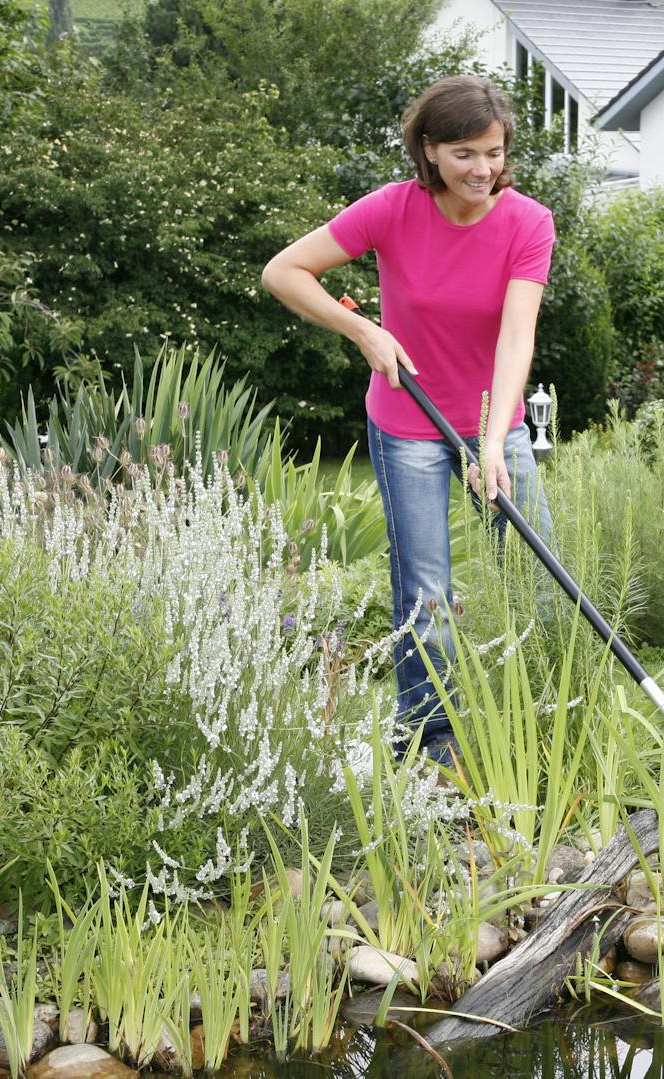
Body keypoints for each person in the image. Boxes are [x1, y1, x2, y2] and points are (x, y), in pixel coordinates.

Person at [261, 75, 555, 765]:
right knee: (426, 594)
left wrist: (491, 443)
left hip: (495, 426)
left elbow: (517, 338)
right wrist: (362, 331)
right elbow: (284, 271)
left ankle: (539, 718)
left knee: (535, 575)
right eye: (464, 154)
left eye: (492, 151)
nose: (482, 169)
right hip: (409, 425)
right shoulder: (392, 210)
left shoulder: (527, 222)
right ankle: (430, 741)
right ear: (429, 150)